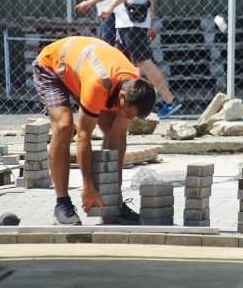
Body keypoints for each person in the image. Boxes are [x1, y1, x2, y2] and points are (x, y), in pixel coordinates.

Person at [33, 36, 157, 225]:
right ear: (122, 96)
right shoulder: (98, 85)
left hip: (83, 71)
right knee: (64, 126)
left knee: (111, 128)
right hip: (52, 67)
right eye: (128, 113)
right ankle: (62, 203)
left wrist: (115, 193)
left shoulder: (134, 86)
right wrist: (88, 186)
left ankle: (111, 205)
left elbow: (117, 137)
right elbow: (83, 137)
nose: (128, 118)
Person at [99, 0, 183, 118]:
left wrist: (111, 6)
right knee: (124, 64)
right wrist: (150, 23)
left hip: (131, 23)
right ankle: (124, 103)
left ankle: (169, 100)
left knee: (143, 61)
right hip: (128, 22)